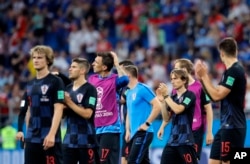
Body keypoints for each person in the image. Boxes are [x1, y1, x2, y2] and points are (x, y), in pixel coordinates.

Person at [195, 37, 247, 164]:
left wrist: (204, 76)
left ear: (222, 53)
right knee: (213, 162)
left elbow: (217, 96)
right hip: (225, 126)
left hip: (233, 126)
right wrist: (202, 80)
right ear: (236, 51)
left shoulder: (235, 71)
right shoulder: (228, 72)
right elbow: (214, 93)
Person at [15, 45, 65, 164]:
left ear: (48, 60)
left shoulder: (56, 81)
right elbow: (27, 111)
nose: (36, 60)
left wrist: (52, 134)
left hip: (49, 139)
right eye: (34, 57)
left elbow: (59, 109)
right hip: (32, 139)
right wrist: (24, 133)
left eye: (40, 57)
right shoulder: (30, 84)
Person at [158, 58, 214, 160]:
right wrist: (162, 126)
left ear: (184, 70)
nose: (173, 72)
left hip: (195, 130)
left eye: (176, 69)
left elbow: (208, 108)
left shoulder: (199, 87)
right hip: (177, 132)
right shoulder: (175, 90)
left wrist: (209, 132)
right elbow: (171, 111)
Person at [88, 51, 129, 164]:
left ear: (104, 67)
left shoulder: (115, 79)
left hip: (110, 127)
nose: (93, 64)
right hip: (95, 127)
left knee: (105, 161)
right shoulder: (92, 79)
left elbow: (126, 80)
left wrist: (116, 62)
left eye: (96, 62)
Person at [157, 69, 198, 164]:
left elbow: (178, 109)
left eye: (175, 78)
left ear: (184, 80)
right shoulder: (172, 98)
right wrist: (163, 102)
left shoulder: (190, 95)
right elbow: (166, 118)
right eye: (171, 79)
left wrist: (166, 97)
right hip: (172, 141)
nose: (172, 81)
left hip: (185, 141)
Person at [62, 57, 98, 164]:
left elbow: (88, 114)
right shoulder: (67, 88)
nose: (70, 69)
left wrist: (69, 103)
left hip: (86, 141)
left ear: (82, 71)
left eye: (73, 67)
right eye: (70, 67)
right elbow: (63, 115)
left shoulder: (90, 89)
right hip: (68, 140)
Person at [123, 65, 161, 164]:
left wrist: (147, 124)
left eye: (122, 75)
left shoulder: (143, 89)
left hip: (144, 132)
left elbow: (158, 106)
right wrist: (128, 130)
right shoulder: (128, 92)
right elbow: (129, 113)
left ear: (128, 76)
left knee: (132, 161)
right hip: (134, 133)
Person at [118, 60, 134, 164]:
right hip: (126, 127)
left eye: (120, 70)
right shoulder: (122, 87)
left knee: (127, 158)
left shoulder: (131, 87)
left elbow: (122, 99)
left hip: (133, 127)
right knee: (124, 158)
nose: (118, 73)